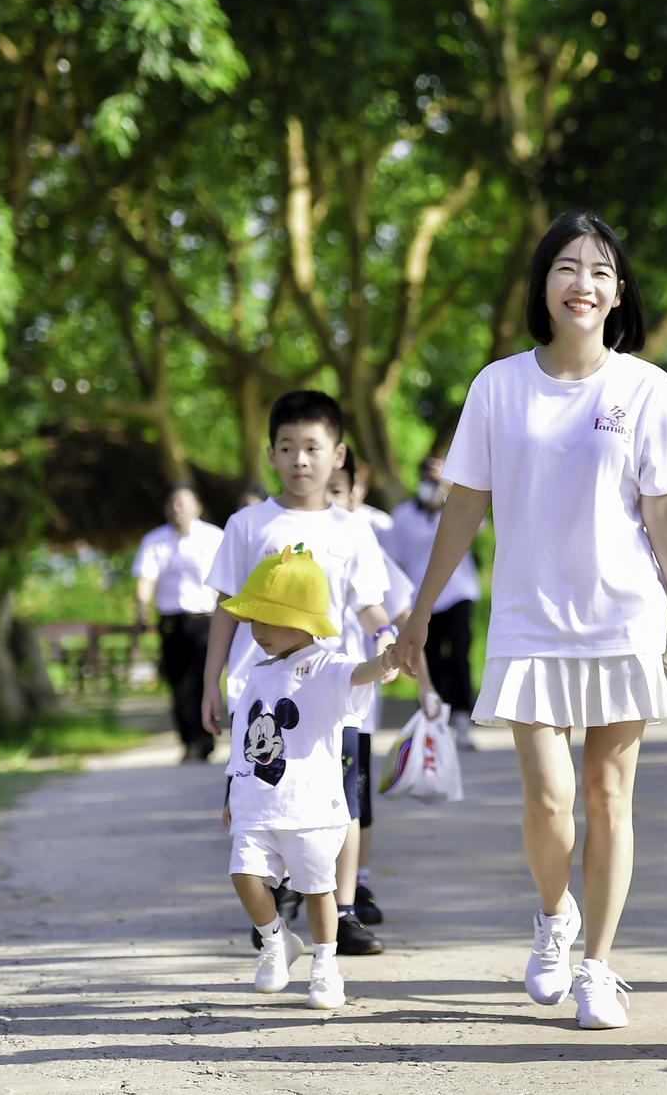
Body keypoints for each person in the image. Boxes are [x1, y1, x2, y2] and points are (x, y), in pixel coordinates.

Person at [392, 211, 667, 1031]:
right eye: (567, 268)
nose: (585, 283)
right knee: (550, 800)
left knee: (607, 794)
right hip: (527, 621)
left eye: (602, 272)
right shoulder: (497, 387)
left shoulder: (647, 388)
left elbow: (665, 517)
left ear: (619, 296)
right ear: (543, 286)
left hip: (623, 620)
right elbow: (465, 506)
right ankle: (554, 918)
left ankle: (600, 968)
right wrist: (416, 613)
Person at [200, 390, 399, 959]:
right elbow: (224, 609)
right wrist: (212, 681)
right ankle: (273, 907)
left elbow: (369, 608)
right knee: (262, 796)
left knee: (343, 800)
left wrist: (391, 643)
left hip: (334, 693)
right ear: (270, 454)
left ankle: (342, 909)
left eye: (312, 447)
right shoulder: (246, 524)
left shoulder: (353, 530)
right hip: (260, 696)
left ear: (337, 454)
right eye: (287, 447)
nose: (300, 460)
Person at [219, 544, 403, 1010]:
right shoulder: (255, 675)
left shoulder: (326, 664)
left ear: (302, 619)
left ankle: (325, 965)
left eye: (268, 619)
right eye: (253, 620)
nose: (256, 631)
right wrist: (231, 792)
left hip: (311, 807)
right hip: (256, 804)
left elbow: (357, 674)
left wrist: (384, 662)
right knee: (243, 875)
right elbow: (243, 740)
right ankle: (277, 941)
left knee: (319, 890)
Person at [325, 452, 417, 932]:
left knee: (353, 801)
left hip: (354, 700)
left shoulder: (365, 545)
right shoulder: (287, 540)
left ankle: (354, 885)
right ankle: (292, 888)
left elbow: (398, 614)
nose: (331, 500)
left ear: (358, 491)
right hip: (298, 700)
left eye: (339, 490)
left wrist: (422, 677)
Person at [382, 454, 481, 744]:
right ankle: (436, 720)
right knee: (431, 659)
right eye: (427, 476)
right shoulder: (401, 518)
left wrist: (446, 502)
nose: (431, 482)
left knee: (460, 652)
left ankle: (462, 717)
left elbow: (479, 528)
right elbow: (395, 562)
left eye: (438, 477)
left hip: (458, 593)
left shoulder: (459, 509)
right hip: (422, 599)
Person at [131, 483, 223, 762]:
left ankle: (202, 739)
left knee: (199, 680)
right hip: (170, 621)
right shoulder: (154, 541)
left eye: (183, 502)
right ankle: (189, 739)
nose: (177, 508)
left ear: (197, 507)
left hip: (205, 619)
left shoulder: (213, 537)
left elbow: (225, 583)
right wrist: (140, 610)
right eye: (172, 503)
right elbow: (145, 579)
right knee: (177, 683)